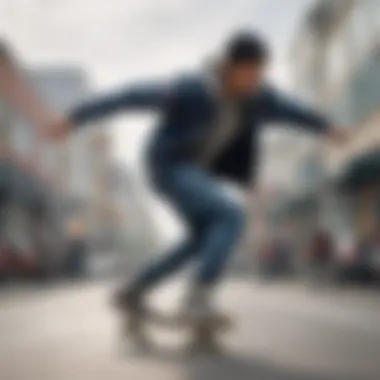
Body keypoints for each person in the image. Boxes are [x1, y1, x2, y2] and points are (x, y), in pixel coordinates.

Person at [42, 32, 348, 324]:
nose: (255, 80)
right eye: (249, 72)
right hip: (167, 164)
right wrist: (73, 118)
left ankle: (134, 291)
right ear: (230, 67)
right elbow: (129, 96)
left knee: (199, 239)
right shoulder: (190, 88)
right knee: (230, 214)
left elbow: (293, 111)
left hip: (195, 174)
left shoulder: (259, 98)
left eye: (260, 73)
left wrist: (327, 128)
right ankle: (197, 298)